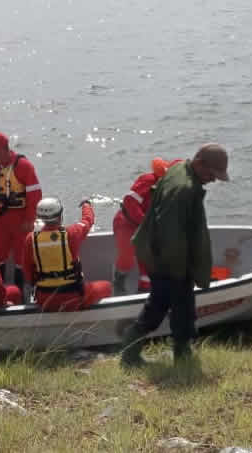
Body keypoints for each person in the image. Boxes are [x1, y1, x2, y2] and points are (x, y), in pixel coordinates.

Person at [120, 144, 230, 367]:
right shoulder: (184, 189)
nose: (213, 179)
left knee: (181, 305)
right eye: (211, 174)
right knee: (162, 305)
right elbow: (171, 235)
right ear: (199, 163)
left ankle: (181, 351)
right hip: (169, 259)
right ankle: (132, 351)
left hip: (161, 254)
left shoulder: (179, 167)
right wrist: (179, 271)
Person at [0, 132, 42, 302]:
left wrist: (30, 219)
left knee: (22, 258)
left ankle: (22, 295)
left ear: (0, 149)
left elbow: (35, 195)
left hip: (20, 220)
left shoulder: (23, 166)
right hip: (0, 219)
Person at [23, 197, 112, 312]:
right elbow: (88, 220)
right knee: (107, 286)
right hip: (73, 297)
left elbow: (27, 272)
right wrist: (86, 205)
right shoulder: (72, 233)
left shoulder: (30, 239)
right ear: (60, 215)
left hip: (44, 299)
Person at [112, 158, 182, 294]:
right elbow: (129, 202)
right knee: (127, 259)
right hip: (126, 223)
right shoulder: (148, 180)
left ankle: (143, 292)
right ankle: (119, 279)